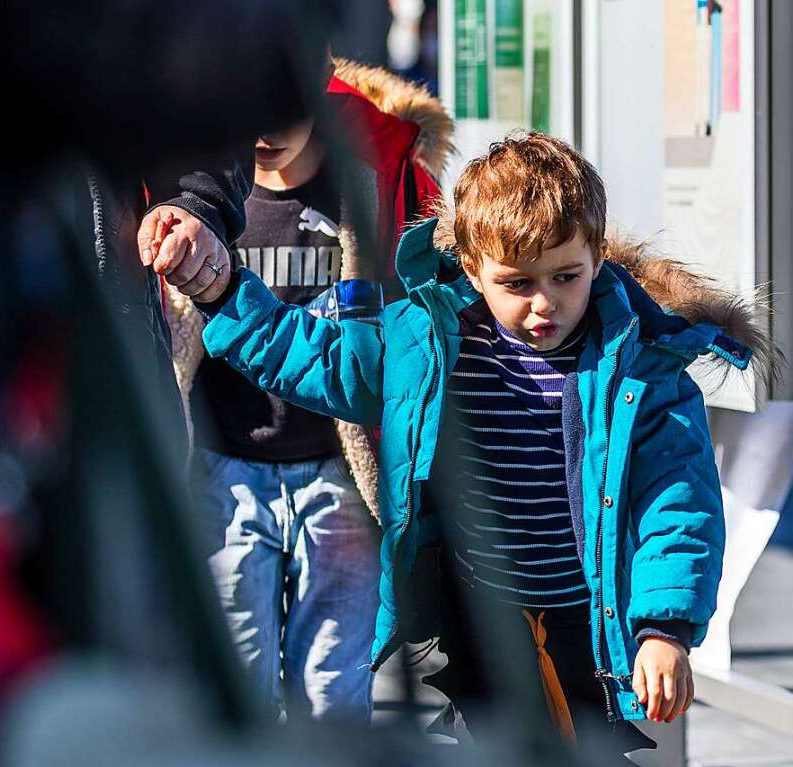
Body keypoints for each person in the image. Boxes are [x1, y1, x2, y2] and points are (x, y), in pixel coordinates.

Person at [187, 132, 767, 754]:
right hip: (465, 619)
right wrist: (222, 292)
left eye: (565, 276)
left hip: (584, 624)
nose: (545, 304)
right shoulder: (425, 342)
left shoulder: (642, 369)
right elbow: (319, 357)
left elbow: (677, 503)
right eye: (517, 284)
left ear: (598, 256)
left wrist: (663, 630)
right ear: (471, 267)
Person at [150, 57, 453, 722]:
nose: (262, 129)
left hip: (340, 477)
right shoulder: (194, 198)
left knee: (331, 694)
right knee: (236, 686)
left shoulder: (371, 178)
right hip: (224, 471)